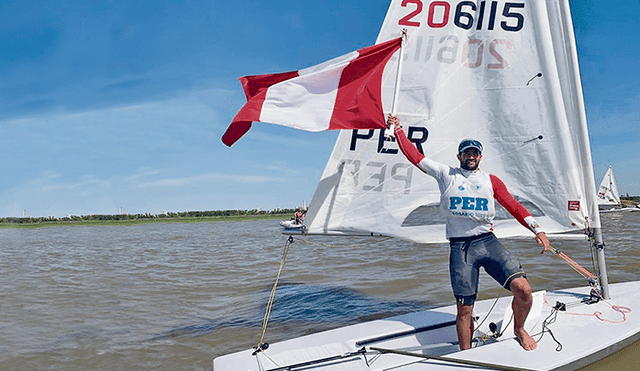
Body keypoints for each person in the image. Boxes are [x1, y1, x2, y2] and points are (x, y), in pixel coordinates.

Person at [387, 114, 550, 351]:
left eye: (475, 152)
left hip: (488, 242)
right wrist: (399, 130)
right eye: (467, 152)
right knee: (464, 309)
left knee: (523, 289)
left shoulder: (490, 181)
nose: (471, 156)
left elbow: (514, 206)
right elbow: (416, 158)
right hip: (461, 248)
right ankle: (467, 354)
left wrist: (538, 230)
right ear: (459, 156)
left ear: (480, 157)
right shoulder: (446, 174)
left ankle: (519, 328)